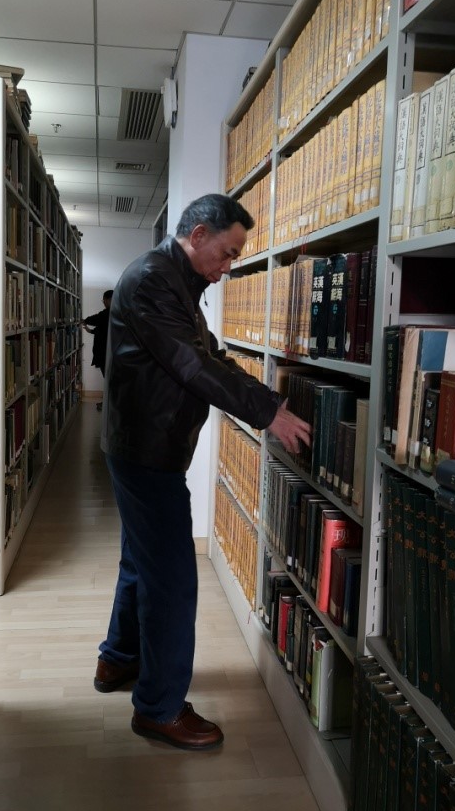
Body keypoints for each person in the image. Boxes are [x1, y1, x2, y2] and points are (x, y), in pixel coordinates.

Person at [95, 193, 312, 751]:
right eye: (228, 252)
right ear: (197, 236)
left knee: (140, 561)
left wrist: (268, 400)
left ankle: (118, 659)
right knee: (171, 580)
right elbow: (193, 365)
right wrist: (268, 413)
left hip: (142, 444)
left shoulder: (174, 281)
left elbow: (209, 355)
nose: (229, 266)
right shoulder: (154, 281)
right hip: (147, 451)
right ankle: (159, 708)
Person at [80, 290, 113, 410]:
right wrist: (91, 331)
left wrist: (85, 320)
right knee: (109, 379)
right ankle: (108, 404)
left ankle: (109, 405)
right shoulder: (115, 313)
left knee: (109, 380)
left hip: (106, 354)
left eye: (104, 300)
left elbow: (98, 318)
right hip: (108, 353)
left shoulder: (110, 312)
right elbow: (104, 328)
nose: (103, 303)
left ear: (109, 300)